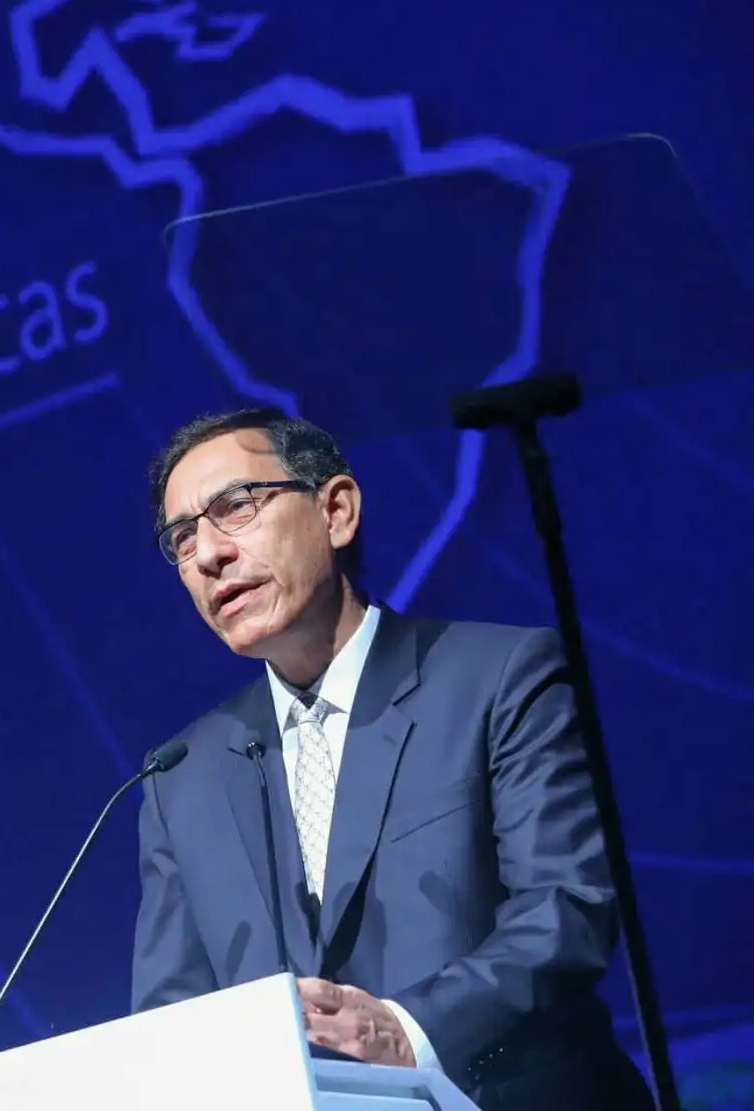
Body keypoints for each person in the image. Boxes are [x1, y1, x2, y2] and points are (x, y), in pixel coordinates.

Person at [131, 406, 653, 1111]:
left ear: (337, 511)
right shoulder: (181, 777)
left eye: (236, 508)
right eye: (182, 537)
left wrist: (409, 1031)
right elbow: (176, 1025)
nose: (208, 555)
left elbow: (567, 907)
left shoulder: (499, 677)